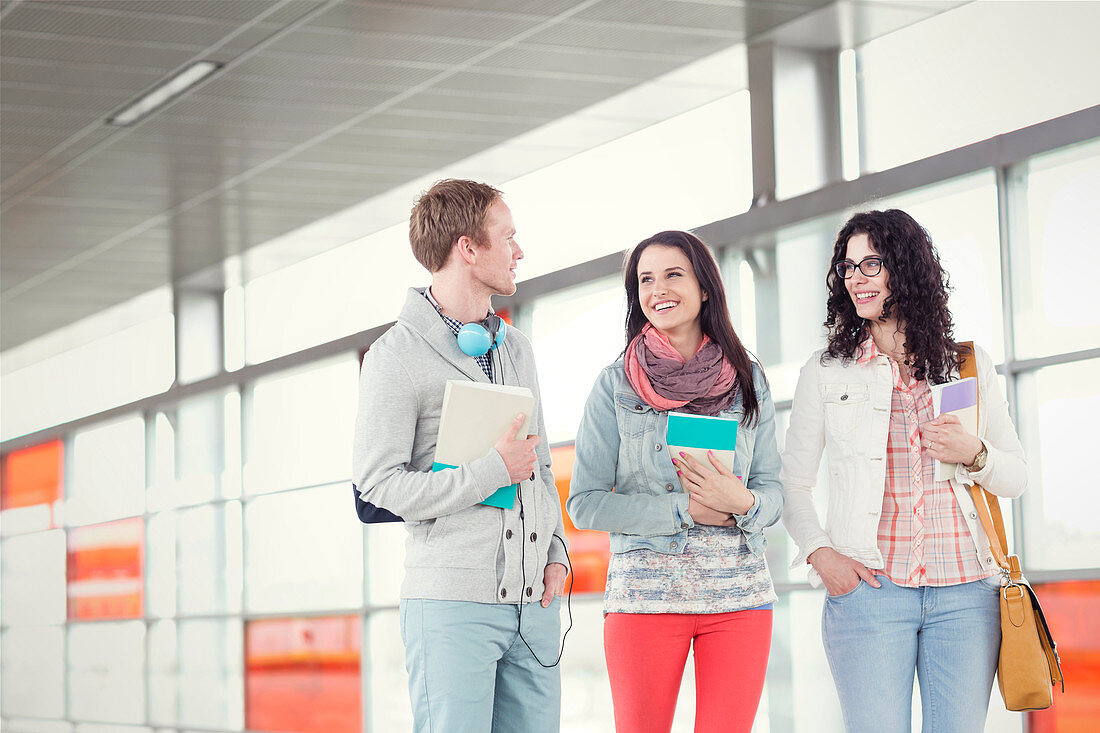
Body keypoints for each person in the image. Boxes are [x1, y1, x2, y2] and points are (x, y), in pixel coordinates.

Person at [781, 209, 1027, 732]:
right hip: (870, 592)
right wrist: (821, 555)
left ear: (907, 268)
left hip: (966, 594)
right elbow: (793, 484)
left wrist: (973, 451)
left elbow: (1017, 476)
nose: (857, 279)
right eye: (848, 268)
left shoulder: (966, 364)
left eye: (872, 264)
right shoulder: (826, 371)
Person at [352, 179, 569, 733]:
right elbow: (377, 487)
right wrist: (489, 473)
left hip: (533, 606)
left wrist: (557, 552)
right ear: (468, 248)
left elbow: (540, 469)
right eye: (508, 237)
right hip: (452, 607)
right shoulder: (394, 357)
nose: (519, 251)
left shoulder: (517, 348)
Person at [567, 230, 783, 733]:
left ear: (705, 287)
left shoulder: (749, 378)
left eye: (673, 274)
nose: (657, 288)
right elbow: (585, 504)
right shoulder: (614, 384)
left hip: (740, 600)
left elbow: (775, 492)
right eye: (645, 279)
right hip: (645, 599)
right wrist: (684, 511)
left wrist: (743, 501)